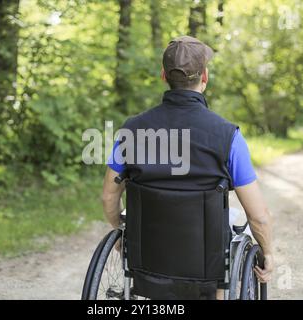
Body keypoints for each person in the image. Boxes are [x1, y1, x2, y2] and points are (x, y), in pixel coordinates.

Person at [101, 35, 273, 299]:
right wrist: (268, 253)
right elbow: (259, 217)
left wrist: (121, 236)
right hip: (205, 268)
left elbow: (109, 196)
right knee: (235, 226)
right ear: (204, 77)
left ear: (163, 75)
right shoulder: (228, 136)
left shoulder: (132, 131)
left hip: (146, 263)